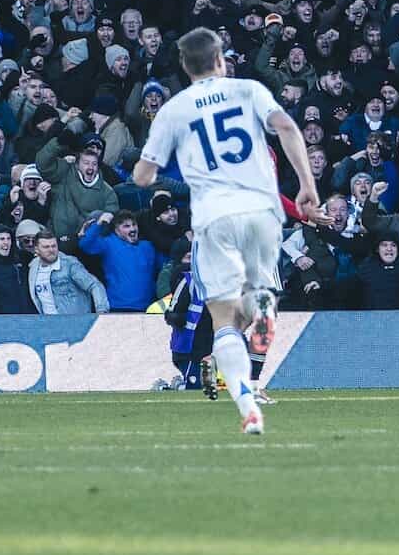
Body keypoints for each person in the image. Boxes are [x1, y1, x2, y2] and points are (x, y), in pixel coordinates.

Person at [132, 28, 319, 435]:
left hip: (214, 221)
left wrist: (166, 163)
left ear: (184, 67)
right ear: (220, 60)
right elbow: (287, 128)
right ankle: (252, 370)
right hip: (258, 215)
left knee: (225, 324)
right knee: (262, 311)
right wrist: (307, 185)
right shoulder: (249, 90)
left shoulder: (175, 110)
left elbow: (142, 177)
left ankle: (246, 404)